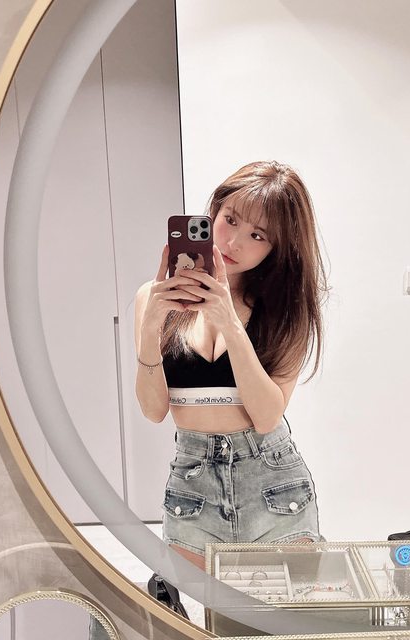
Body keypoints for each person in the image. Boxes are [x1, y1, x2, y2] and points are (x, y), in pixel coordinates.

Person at [134, 161, 328, 571]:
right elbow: (153, 410)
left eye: (257, 235)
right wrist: (151, 327)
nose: (233, 241)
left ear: (276, 248)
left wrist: (229, 322)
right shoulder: (151, 298)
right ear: (213, 213)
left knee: (284, 609)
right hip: (192, 483)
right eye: (230, 220)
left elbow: (266, 416)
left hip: (272, 481)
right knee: (203, 610)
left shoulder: (287, 307)